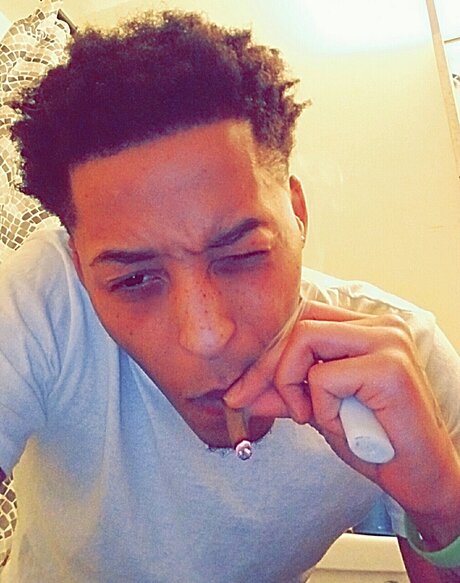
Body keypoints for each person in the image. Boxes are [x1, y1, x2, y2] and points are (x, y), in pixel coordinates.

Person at [1, 9, 460, 582]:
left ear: (296, 213)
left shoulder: (402, 364)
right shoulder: (46, 300)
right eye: (133, 280)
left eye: (241, 255)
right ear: (79, 267)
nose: (206, 335)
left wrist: (442, 506)